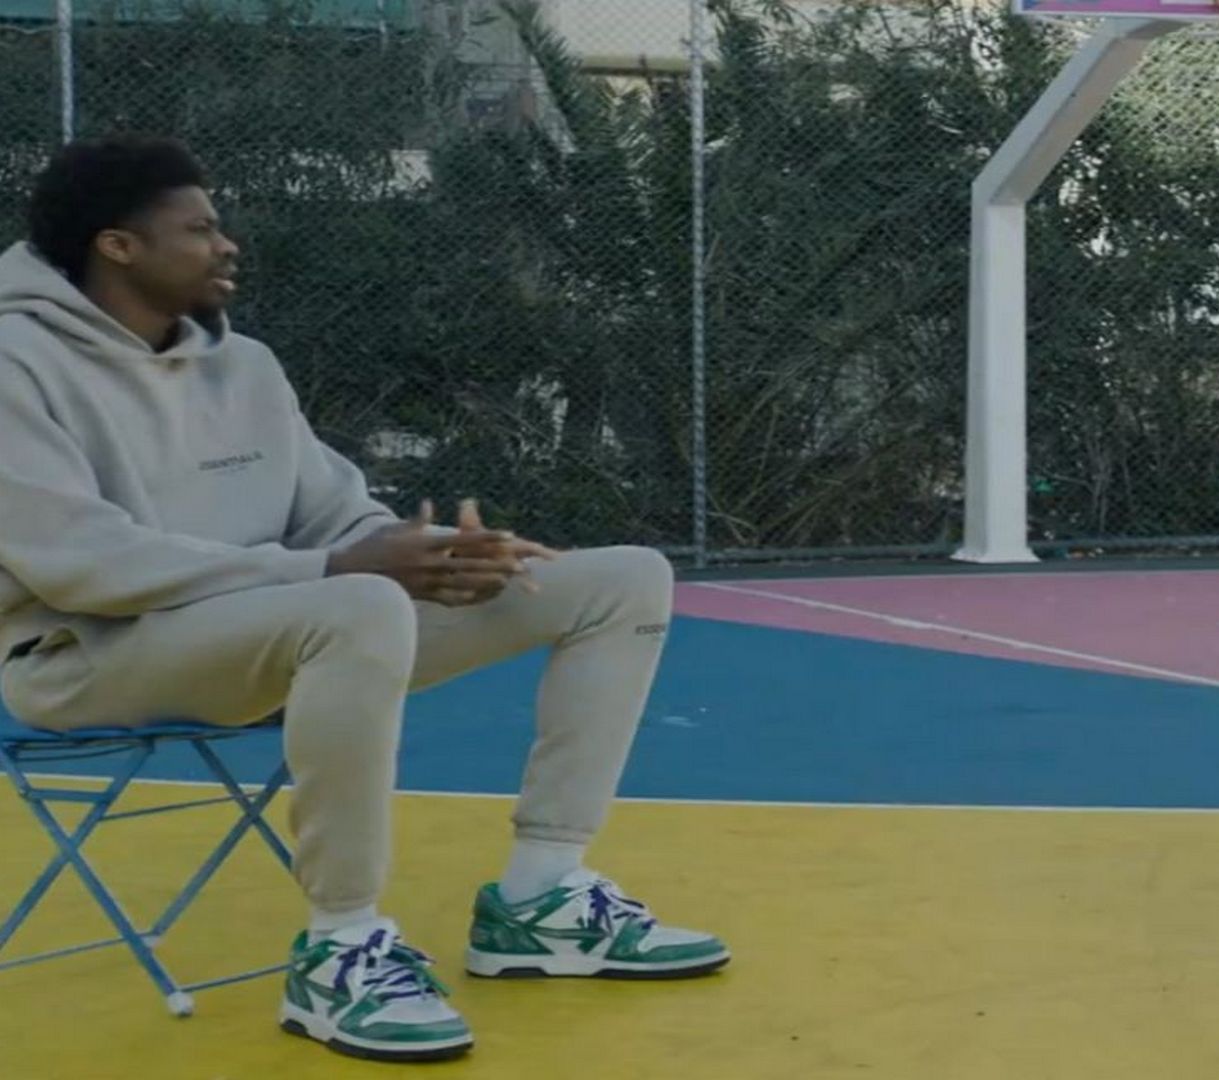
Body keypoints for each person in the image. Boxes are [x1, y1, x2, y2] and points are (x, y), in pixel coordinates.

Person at [0, 136, 729, 1063]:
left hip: (279, 628)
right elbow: (82, 564)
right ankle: (340, 947)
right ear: (119, 246)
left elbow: (335, 514)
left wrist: (442, 556)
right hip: (90, 658)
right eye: (201, 229)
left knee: (624, 579)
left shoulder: (245, 366)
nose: (227, 244)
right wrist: (339, 571)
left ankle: (542, 896)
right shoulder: (15, 364)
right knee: (359, 606)